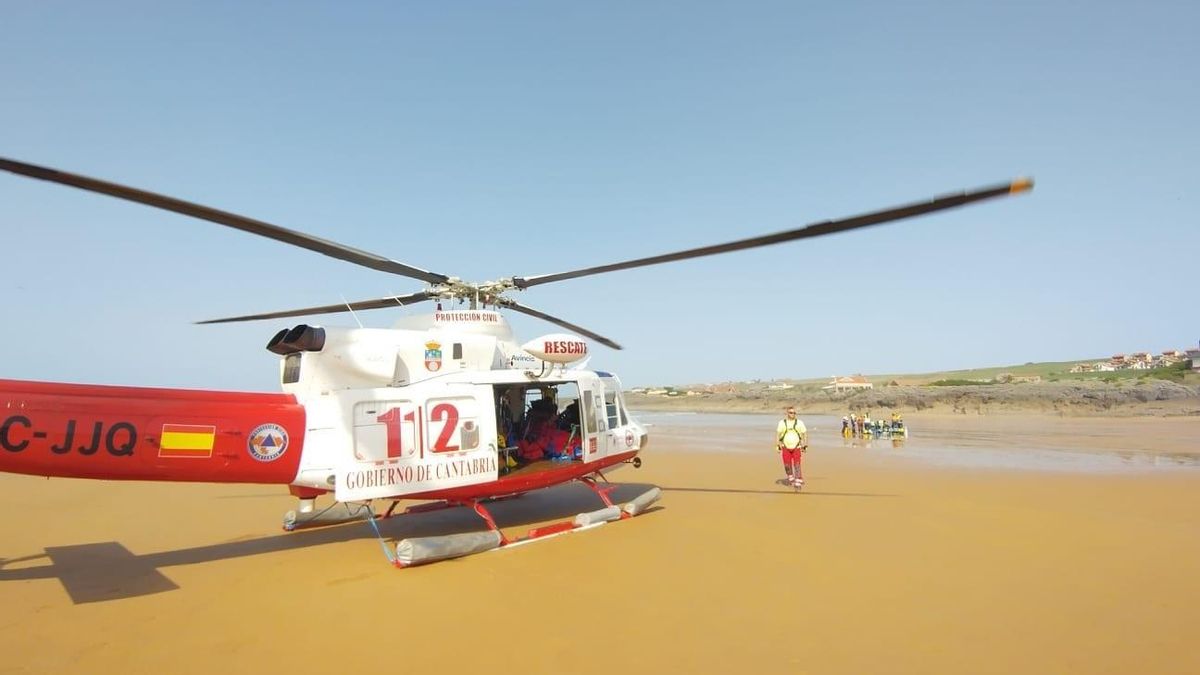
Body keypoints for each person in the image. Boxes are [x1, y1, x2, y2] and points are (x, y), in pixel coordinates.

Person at [776, 407, 808, 487]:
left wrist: (805, 445)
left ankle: (798, 479)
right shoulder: (782, 423)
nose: (792, 414)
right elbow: (778, 434)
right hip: (785, 447)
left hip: (796, 447)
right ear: (787, 413)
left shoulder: (799, 423)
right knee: (787, 464)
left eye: (794, 413)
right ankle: (790, 476)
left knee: (797, 464)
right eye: (790, 412)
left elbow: (805, 434)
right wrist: (777, 445)